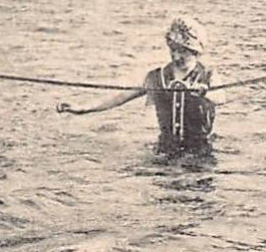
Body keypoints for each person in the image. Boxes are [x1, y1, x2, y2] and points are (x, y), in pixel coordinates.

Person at [58, 16, 216, 155]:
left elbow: (221, 96)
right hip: (166, 150)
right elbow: (120, 96)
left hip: (200, 152)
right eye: (173, 50)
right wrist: (83, 108)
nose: (176, 56)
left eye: (183, 52)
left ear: (195, 51)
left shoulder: (208, 75)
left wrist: (205, 93)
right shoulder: (156, 77)